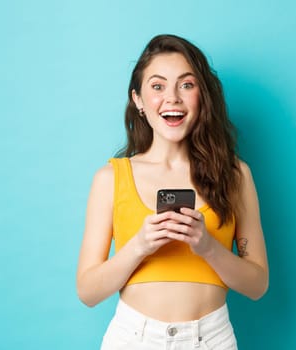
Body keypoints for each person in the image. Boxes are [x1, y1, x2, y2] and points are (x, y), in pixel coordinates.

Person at [76, 34, 269, 350]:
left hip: (212, 339)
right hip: (132, 338)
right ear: (138, 100)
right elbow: (88, 291)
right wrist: (140, 245)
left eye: (186, 85)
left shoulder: (235, 175)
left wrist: (207, 246)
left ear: (202, 96)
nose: (173, 98)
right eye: (157, 86)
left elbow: (258, 284)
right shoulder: (110, 178)